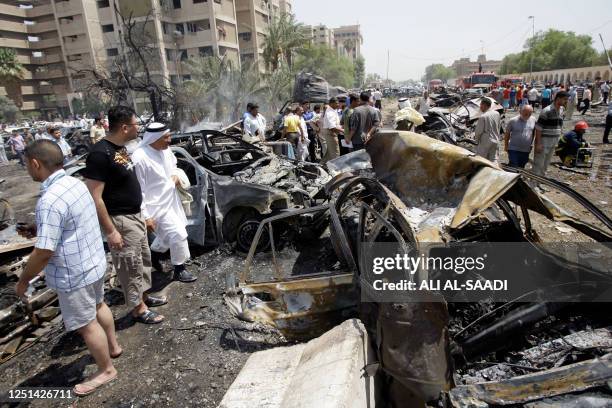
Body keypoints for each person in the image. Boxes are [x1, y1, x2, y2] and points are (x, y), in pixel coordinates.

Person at [16, 140, 121, 397]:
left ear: (35, 163)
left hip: (74, 273)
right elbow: (71, 222)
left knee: (86, 324)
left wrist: (23, 281)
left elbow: (43, 252)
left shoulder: (49, 200)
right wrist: (39, 228)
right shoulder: (76, 183)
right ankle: (114, 347)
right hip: (94, 262)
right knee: (98, 305)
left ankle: (107, 369)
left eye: (26, 165)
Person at [83, 106, 166, 325]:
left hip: (135, 215)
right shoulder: (100, 154)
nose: (139, 128)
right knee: (129, 265)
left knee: (143, 261)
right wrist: (111, 231)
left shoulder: (120, 148)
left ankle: (144, 298)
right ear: (125, 127)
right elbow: (95, 196)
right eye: (136, 124)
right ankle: (138, 309)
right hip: (120, 220)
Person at [132, 123, 197, 283]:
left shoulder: (166, 150)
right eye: (166, 137)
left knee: (170, 235)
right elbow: (137, 190)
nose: (170, 140)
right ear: (154, 138)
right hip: (154, 206)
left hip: (171, 200)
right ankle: (179, 269)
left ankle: (154, 256)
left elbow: (173, 166)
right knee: (178, 234)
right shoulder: (140, 157)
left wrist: (176, 176)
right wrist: (146, 216)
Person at [533, 91, 569, 177]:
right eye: (564, 99)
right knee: (539, 163)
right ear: (558, 99)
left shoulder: (561, 110)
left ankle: (540, 182)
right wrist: (538, 143)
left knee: (546, 163)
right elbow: (538, 128)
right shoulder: (546, 111)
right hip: (544, 140)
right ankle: (534, 183)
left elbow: (559, 125)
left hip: (554, 140)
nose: (566, 101)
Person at [474, 98, 501, 164]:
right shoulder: (497, 113)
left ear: (484, 105)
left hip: (486, 140)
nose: (480, 107)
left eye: (481, 105)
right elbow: (499, 126)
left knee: (481, 160)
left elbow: (478, 131)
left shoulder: (483, 116)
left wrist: (477, 141)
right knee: (493, 160)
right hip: (495, 139)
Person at [321, 97, 343, 163]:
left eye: (338, 103)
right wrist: (343, 131)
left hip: (331, 133)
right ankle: (336, 171)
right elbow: (332, 127)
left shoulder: (332, 110)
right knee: (335, 153)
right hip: (331, 133)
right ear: (331, 103)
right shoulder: (329, 113)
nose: (338, 105)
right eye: (336, 103)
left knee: (330, 154)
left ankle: (321, 166)